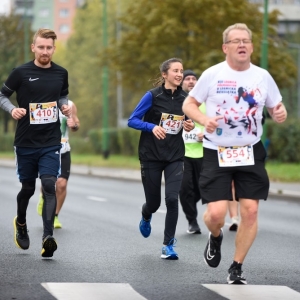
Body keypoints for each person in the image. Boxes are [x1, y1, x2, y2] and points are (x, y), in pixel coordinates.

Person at [182, 23, 287, 284]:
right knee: (216, 215)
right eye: (236, 41)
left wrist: (279, 112)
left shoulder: (262, 76)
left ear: (251, 47)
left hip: (250, 150)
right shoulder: (212, 74)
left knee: (249, 211)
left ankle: (236, 267)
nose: (242, 45)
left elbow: (276, 105)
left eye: (246, 41)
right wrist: (203, 119)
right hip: (216, 151)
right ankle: (215, 237)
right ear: (225, 47)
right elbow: (189, 103)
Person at [0, 28, 72, 258]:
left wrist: (64, 105)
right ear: (33, 47)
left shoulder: (61, 73)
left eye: (49, 47)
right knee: (28, 188)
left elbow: (63, 95)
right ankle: (21, 222)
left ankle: (47, 237)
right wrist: (12, 110)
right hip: (25, 142)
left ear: (54, 48)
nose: (44, 51)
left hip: (51, 141)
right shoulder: (20, 73)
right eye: (40, 47)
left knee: (49, 185)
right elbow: (2, 95)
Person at [128, 58, 195, 260]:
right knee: (154, 203)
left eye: (181, 70)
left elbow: (188, 121)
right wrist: (152, 127)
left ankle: (168, 245)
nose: (179, 74)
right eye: (175, 70)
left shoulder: (186, 99)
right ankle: (146, 214)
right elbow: (133, 120)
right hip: (151, 156)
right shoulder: (152, 96)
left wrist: (189, 125)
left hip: (175, 155)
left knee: (172, 199)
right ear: (164, 74)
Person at [37, 99, 80, 228]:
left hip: (63, 150)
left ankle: (55, 216)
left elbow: (76, 124)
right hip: (46, 151)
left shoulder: (70, 104)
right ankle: (43, 195)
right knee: (49, 183)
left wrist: (74, 125)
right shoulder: (40, 102)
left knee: (61, 184)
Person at [179, 70, 204, 234]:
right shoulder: (176, 102)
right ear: (182, 83)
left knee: (201, 189)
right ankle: (192, 221)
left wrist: (207, 134)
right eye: (187, 79)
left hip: (204, 153)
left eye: (194, 79)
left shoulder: (206, 102)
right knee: (185, 188)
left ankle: (193, 206)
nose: (191, 81)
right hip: (182, 154)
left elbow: (217, 123)